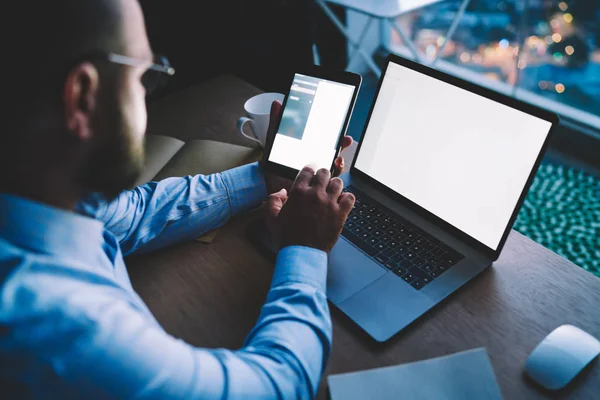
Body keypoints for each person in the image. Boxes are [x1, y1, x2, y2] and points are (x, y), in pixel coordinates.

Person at [0, 0, 355, 398]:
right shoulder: (59, 330)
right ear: (83, 97)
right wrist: (305, 248)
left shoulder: (33, 192)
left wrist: (263, 177)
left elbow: (129, 213)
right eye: (142, 78)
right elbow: (278, 385)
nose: (146, 98)